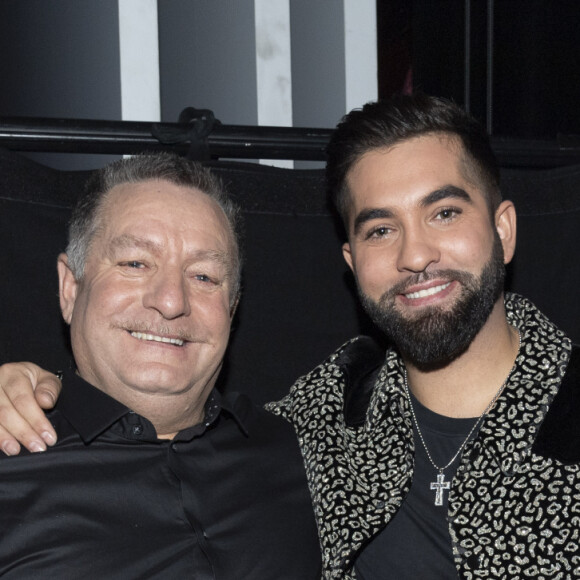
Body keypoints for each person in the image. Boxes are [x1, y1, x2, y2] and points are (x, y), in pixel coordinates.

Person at [1, 95, 579, 579]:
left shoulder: (287, 440)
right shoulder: (322, 420)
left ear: (503, 231)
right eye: (382, 228)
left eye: (445, 214)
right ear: (352, 263)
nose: (416, 255)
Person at [0, 153, 321, 578]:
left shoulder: (309, 454)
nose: (171, 301)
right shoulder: (11, 466)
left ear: (233, 307)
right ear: (70, 288)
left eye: (204, 276)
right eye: (135, 263)